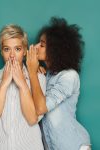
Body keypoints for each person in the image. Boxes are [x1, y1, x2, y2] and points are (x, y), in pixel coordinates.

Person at [26, 17, 91, 150]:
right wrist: (37, 74)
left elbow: (41, 109)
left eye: (42, 45)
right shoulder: (47, 75)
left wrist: (32, 73)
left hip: (74, 145)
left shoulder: (69, 76)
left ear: (55, 50)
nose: (36, 47)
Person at [0, 24, 46, 150]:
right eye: (6, 49)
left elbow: (32, 118)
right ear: (1, 51)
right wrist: (4, 83)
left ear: (25, 51)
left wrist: (22, 83)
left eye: (17, 49)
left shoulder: (39, 79)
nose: (12, 55)